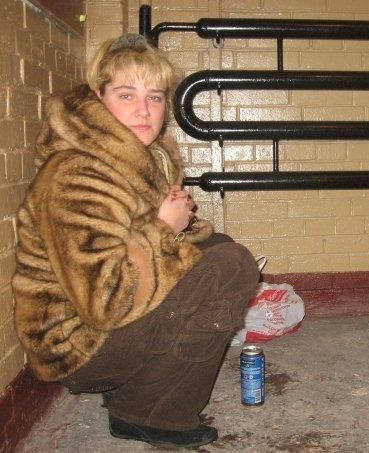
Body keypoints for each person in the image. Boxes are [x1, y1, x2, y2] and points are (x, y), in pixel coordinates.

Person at [12, 34, 260, 449]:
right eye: (126, 95)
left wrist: (177, 225)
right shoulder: (78, 176)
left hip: (102, 328)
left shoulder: (134, 159)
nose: (144, 110)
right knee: (230, 266)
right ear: (98, 100)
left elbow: (162, 245)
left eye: (155, 97)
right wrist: (164, 228)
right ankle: (148, 412)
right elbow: (106, 302)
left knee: (219, 249)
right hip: (78, 346)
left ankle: (137, 386)